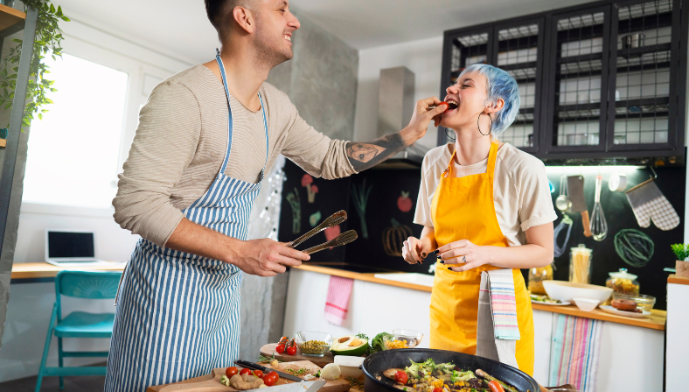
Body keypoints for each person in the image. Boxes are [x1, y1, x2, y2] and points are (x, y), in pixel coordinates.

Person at [104, 0, 448, 390]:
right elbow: (135, 204)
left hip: (219, 298)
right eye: (282, 9)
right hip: (164, 299)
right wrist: (240, 251)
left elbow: (331, 159)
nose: (295, 21)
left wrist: (407, 134)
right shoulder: (184, 97)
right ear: (244, 17)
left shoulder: (275, 108)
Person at [402, 64, 556, 375]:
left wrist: (481, 253)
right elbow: (432, 228)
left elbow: (543, 251)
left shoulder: (523, 168)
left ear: (493, 105)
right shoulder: (434, 162)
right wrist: (421, 244)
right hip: (447, 307)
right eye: (452, 84)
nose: (451, 90)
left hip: (501, 310)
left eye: (466, 84)